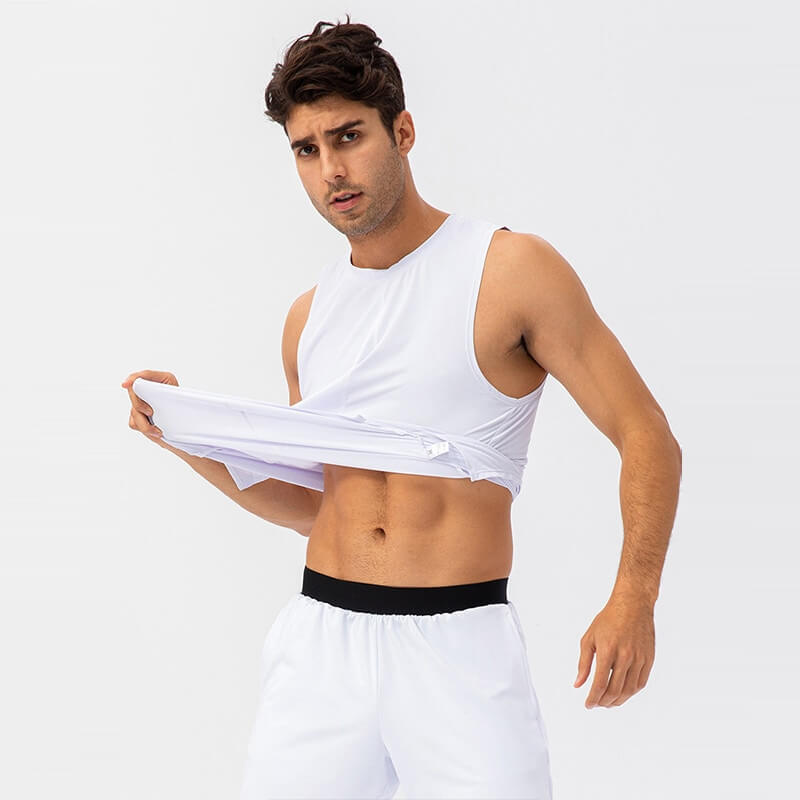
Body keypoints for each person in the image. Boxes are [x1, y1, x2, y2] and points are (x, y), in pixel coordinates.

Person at [122, 14, 682, 800]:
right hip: (321, 644)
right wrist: (186, 439)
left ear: (404, 131)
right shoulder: (308, 318)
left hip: (459, 646)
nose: (329, 170)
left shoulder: (510, 270)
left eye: (348, 137)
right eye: (306, 150)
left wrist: (634, 598)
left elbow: (646, 434)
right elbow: (319, 506)